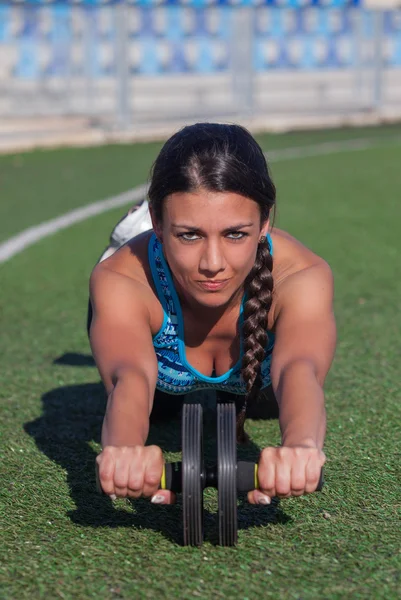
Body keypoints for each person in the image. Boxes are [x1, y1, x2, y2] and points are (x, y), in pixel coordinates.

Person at [89, 122, 336, 507]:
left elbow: (299, 368)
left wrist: (302, 447)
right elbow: (130, 376)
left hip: (251, 364)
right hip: (155, 353)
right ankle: (133, 236)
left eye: (236, 234)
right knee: (161, 410)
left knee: (266, 403)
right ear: (158, 221)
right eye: (189, 234)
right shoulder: (120, 280)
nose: (213, 263)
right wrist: (123, 449)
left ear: (265, 222)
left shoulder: (303, 276)